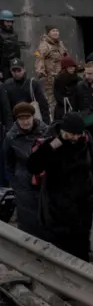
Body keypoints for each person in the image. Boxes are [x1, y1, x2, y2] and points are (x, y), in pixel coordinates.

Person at [27, 112, 93, 261]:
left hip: (82, 210)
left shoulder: (85, 141)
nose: (75, 138)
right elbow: (33, 166)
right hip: (57, 213)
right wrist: (53, 145)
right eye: (71, 134)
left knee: (81, 254)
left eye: (77, 134)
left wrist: (90, 183)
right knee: (59, 256)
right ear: (63, 131)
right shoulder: (51, 144)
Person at [3, 102, 48, 238]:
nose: (25, 122)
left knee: (46, 216)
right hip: (24, 182)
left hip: (44, 180)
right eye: (21, 119)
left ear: (33, 117)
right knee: (28, 222)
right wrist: (16, 185)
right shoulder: (11, 137)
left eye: (27, 118)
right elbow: (8, 163)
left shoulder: (45, 131)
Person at [35, 25, 68, 119]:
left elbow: (66, 56)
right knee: (52, 101)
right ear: (48, 33)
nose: (56, 33)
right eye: (53, 31)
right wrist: (40, 72)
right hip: (50, 79)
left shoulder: (60, 44)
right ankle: (54, 122)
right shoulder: (44, 45)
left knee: (63, 100)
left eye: (57, 30)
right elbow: (39, 58)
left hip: (62, 77)